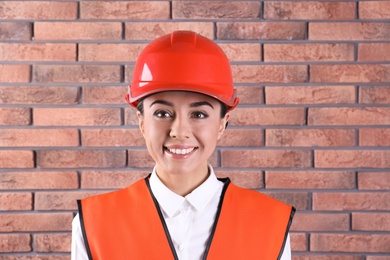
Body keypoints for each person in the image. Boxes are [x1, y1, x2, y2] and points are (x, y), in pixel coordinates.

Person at [71, 30, 295, 260]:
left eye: (198, 115)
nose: (179, 131)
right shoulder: (94, 224)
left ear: (222, 123)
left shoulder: (270, 224)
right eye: (162, 113)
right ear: (141, 122)